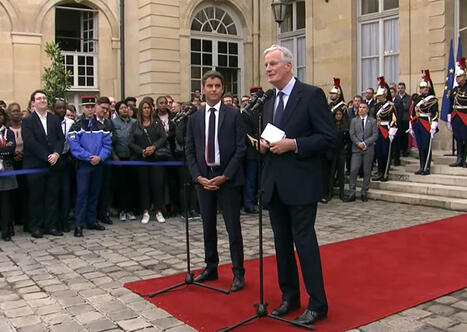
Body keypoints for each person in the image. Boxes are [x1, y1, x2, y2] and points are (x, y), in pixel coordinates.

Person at [257, 45, 336, 325]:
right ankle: (289, 297)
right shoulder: (268, 101)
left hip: (301, 184)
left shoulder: (311, 95)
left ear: (289, 66)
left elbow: (329, 138)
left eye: (273, 64)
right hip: (275, 184)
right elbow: (272, 135)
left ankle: (317, 303)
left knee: (304, 243)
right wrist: (264, 146)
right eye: (266, 64)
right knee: (281, 244)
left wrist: (295, 144)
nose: (268, 69)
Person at [185, 70, 246, 292]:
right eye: (209, 86)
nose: (213, 89)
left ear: (222, 88)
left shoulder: (234, 114)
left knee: (232, 228)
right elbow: (190, 151)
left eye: (217, 86)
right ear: (203, 89)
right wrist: (198, 177)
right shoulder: (195, 118)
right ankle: (211, 267)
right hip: (204, 178)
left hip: (227, 178)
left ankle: (238, 272)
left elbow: (241, 149)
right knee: (207, 226)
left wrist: (225, 176)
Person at [22, 90, 64, 238]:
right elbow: (30, 142)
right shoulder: (27, 121)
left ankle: (51, 226)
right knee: (36, 197)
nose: (42, 100)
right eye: (39, 98)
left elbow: (61, 139)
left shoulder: (54, 119)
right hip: (35, 165)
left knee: (52, 196)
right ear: (33, 103)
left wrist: (57, 154)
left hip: (53, 164)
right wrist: (46, 156)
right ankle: (35, 226)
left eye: (44, 98)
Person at [67, 96, 112, 237]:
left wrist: (100, 157)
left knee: (94, 193)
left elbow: (107, 146)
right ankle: (79, 224)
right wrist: (88, 157)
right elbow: (74, 147)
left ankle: (91, 221)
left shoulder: (102, 126)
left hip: (98, 164)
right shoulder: (76, 126)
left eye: (92, 106)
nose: (90, 109)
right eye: (87, 107)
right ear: (82, 108)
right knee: (82, 194)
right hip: (84, 165)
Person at [128, 99, 167, 224]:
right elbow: (130, 142)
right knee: (144, 186)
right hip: (142, 159)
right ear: (140, 110)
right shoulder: (136, 125)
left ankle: (158, 211)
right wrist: (141, 151)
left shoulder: (157, 122)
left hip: (156, 159)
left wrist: (154, 147)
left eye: (148, 108)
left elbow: (163, 137)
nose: (146, 110)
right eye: (144, 108)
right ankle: (145, 211)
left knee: (158, 185)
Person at [344, 102, 378, 202]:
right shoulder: (354, 121)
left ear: (367, 110)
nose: (362, 109)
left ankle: (364, 192)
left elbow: (375, 135)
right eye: (360, 107)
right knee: (354, 170)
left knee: (367, 171)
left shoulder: (372, 121)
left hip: (368, 149)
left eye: (364, 107)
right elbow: (352, 134)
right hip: (356, 149)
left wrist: (365, 143)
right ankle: (352, 192)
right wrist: (358, 143)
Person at [410, 70, 439, 175]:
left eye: (424, 88)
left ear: (428, 88)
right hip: (418, 123)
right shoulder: (417, 99)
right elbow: (413, 112)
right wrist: (411, 125)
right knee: (420, 146)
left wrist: (434, 125)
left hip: (426, 123)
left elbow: (435, 113)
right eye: (421, 88)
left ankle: (427, 167)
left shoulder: (432, 99)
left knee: (427, 146)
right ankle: (421, 166)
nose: (422, 90)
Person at [112, 100, 137, 221]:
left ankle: (131, 210)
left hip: (132, 157)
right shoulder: (113, 123)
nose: (124, 110)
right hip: (119, 157)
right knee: (121, 185)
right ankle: (122, 210)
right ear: (118, 110)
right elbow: (110, 140)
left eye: (126, 107)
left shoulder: (135, 122)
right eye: (121, 108)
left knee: (132, 185)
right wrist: (113, 155)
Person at [53, 99, 74, 233]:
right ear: (53, 109)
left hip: (67, 159)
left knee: (66, 192)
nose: (61, 110)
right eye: (58, 108)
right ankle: (55, 221)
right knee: (55, 192)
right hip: (53, 159)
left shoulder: (71, 123)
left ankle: (65, 221)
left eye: (63, 108)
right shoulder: (50, 122)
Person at [373, 76, 397, 182]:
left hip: (386, 129)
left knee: (386, 152)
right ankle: (379, 171)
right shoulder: (377, 106)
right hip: (378, 129)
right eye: (378, 96)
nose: (379, 98)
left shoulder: (390, 106)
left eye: (380, 96)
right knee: (378, 152)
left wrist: (392, 131)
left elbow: (394, 119)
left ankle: (385, 172)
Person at [0, 108, 18, 241]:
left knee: (7, 200)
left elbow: (11, 148)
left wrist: (5, 149)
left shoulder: (9, 132)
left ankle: (7, 229)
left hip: (6, 167)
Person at [448, 57, 467, 167]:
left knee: (465, 138)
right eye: (457, 76)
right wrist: (450, 116)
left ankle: (465, 159)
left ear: (465, 77)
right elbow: (451, 104)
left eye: (459, 76)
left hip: (465, 116)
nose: (457, 79)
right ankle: (459, 158)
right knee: (458, 138)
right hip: (456, 117)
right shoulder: (455, 90)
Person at [327, 108, 349, 201]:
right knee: (331, 173)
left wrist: (345, 148)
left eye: (340, 114)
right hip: (332, 151)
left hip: (341, 151)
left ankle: (342, 193)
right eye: (337, 114)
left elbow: (347, 139)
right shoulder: (331, 126)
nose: (338, 116)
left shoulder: (344, 126)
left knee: (341, 173)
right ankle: (329, 193)